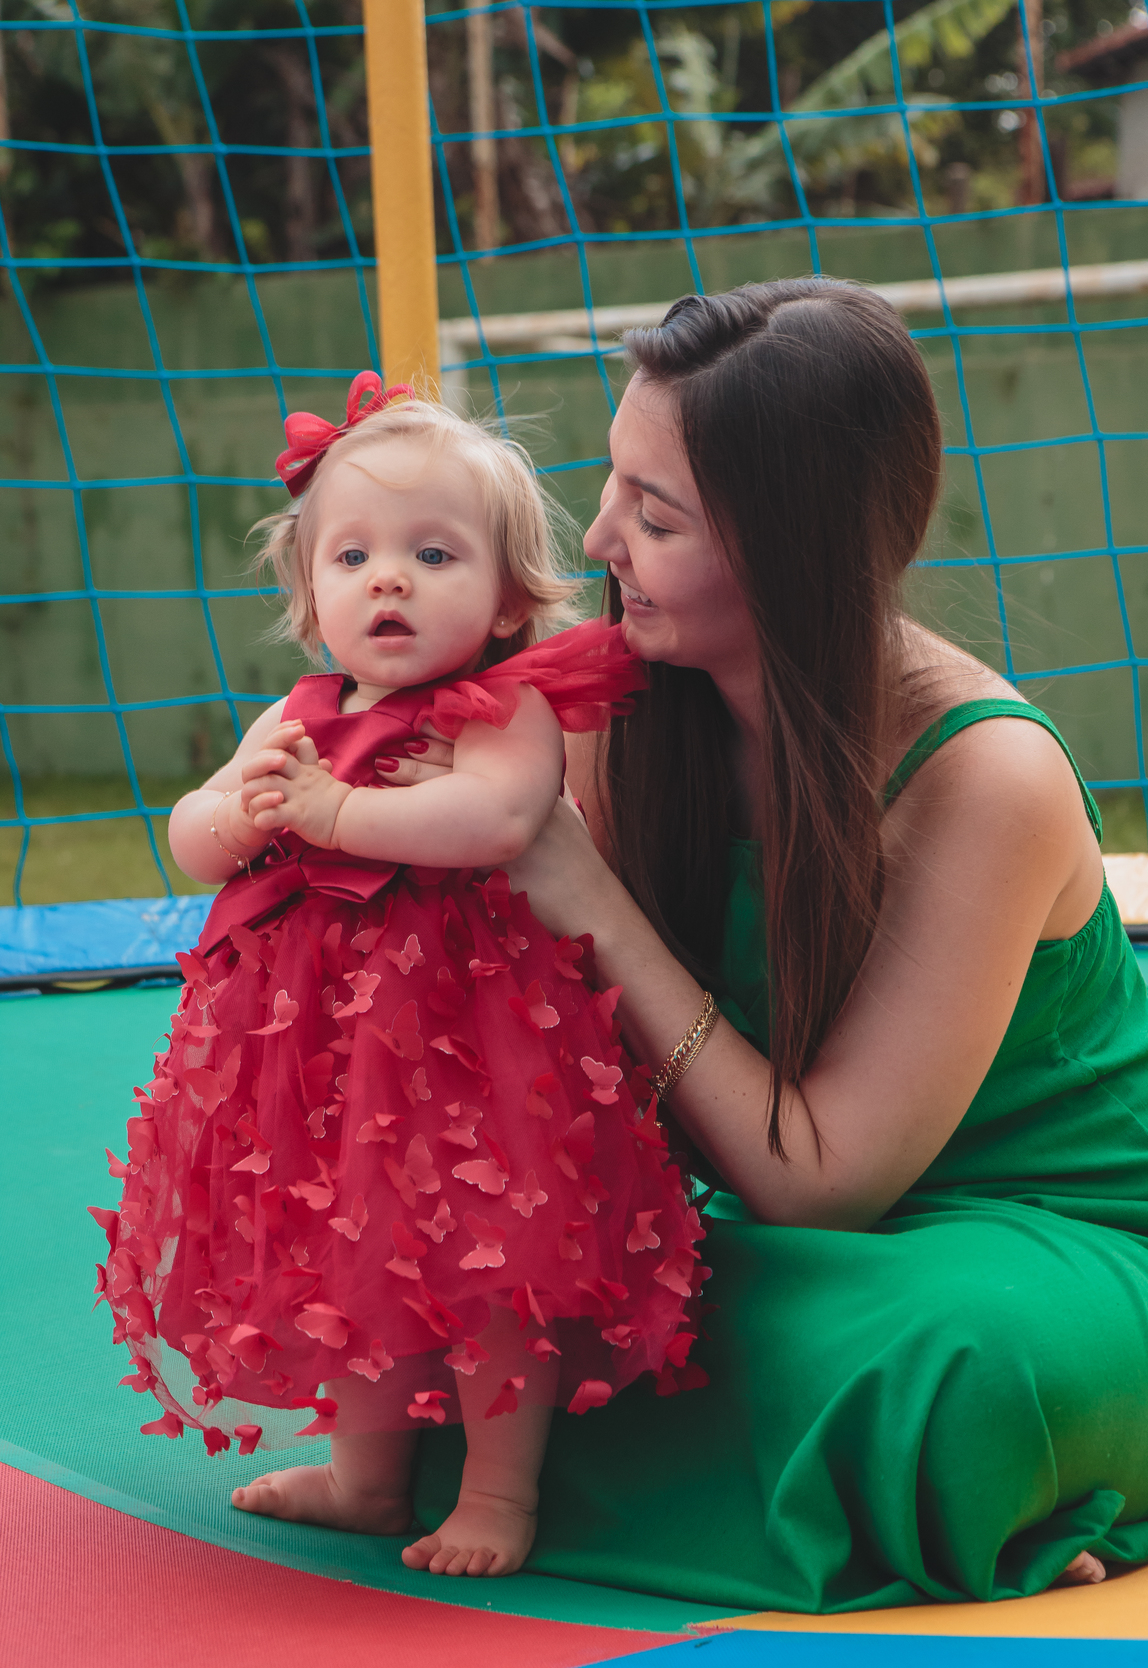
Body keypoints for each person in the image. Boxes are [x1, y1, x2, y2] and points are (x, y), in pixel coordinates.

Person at [405, 280, 1148, 1612]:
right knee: (479, 1323)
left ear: (792, 551)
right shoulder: (615, 707)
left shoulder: (986, 775)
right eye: (613, 486)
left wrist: (588, 896)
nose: (599, 538)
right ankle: (906, 1498)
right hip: (798, 1253)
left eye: (656, 518)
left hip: (1061, 1239)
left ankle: (984, 1456)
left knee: (957, 1369)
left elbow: (822, 1182)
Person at [93, 378, 706, 1580]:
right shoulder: (299, 714)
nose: (390, 581)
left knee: (492, 1256)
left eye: (433, 555)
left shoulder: (504, 707)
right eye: (354, 556)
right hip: (326, 1056)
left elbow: (499, 820)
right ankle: (366, 1478)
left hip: (471, 1043)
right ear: (308, 592)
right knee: (353, 1252)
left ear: (509, 595)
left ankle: (498, 1492)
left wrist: (333, 812)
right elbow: (195, 831)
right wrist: (237, 813)